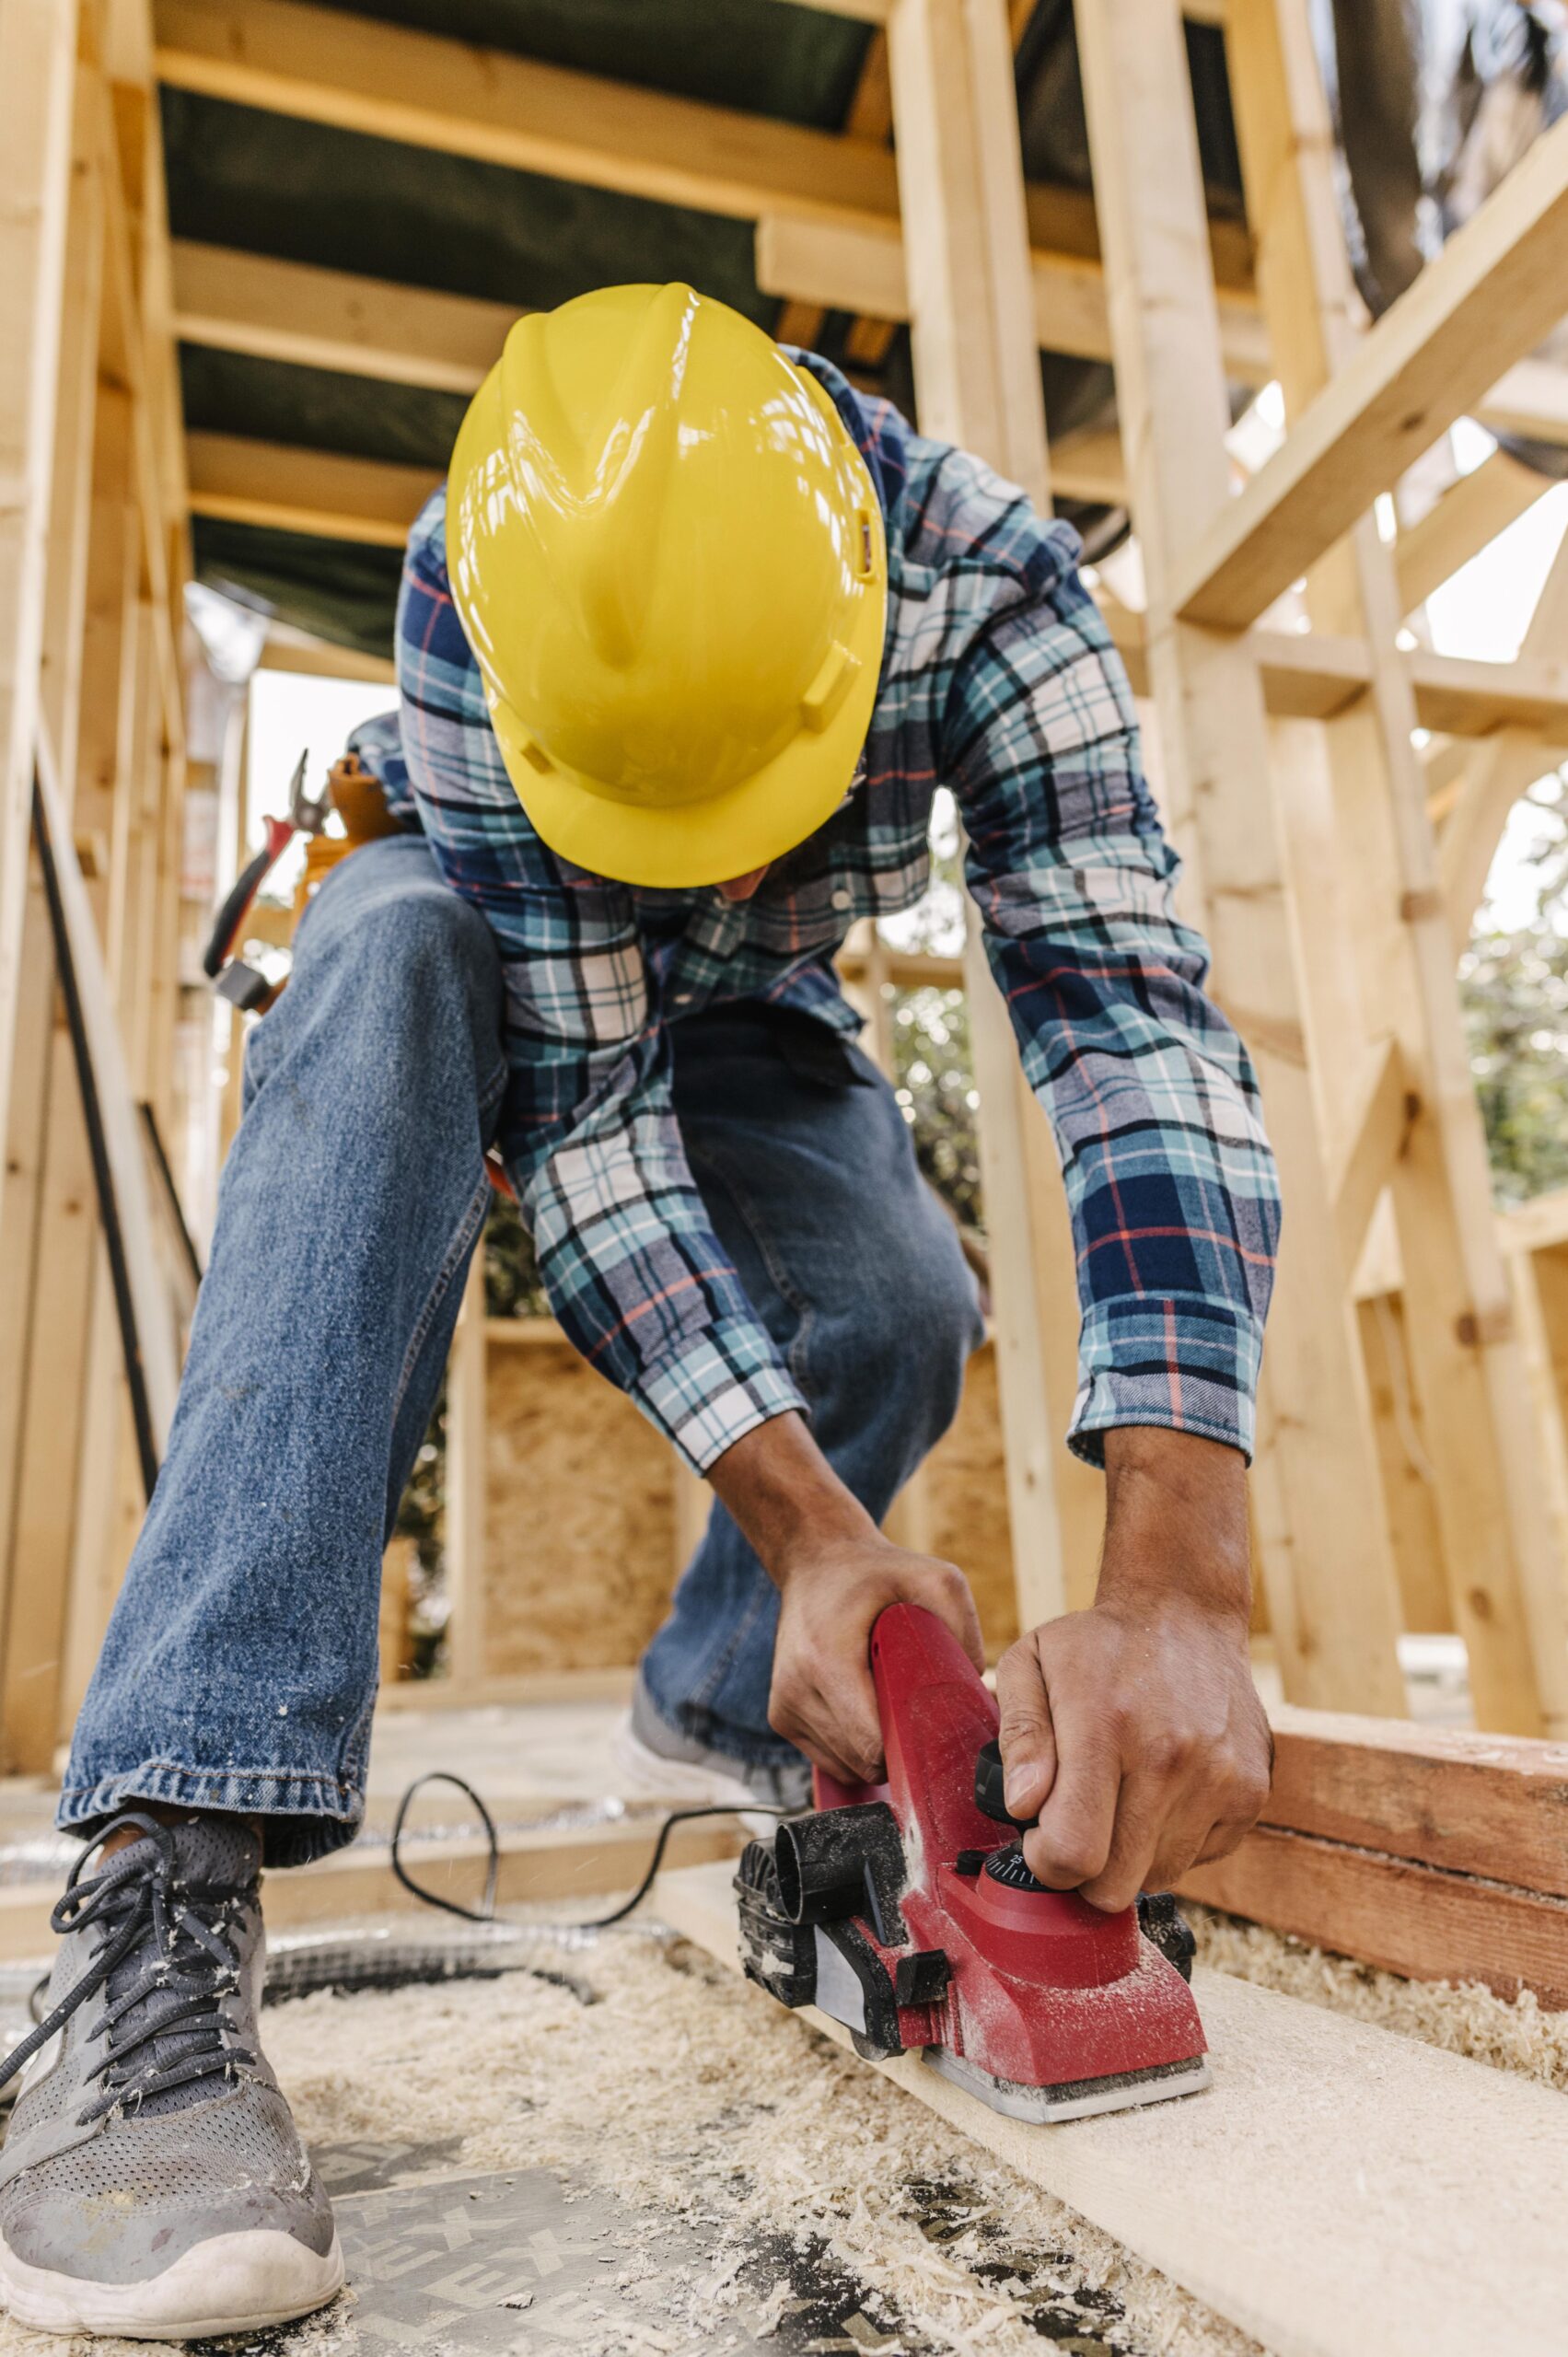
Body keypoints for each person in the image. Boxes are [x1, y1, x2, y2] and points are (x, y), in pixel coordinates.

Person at [0, 284, 1277, 2339]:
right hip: (504, 936)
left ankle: (727, 1700)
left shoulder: (994, 584)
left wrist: (1186, 1567)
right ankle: (170, 1857)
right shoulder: (465, 584)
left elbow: (1127, 1027)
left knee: (894, 1292)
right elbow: (584, 1130)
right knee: (392, 963)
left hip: (756, 997)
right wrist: (818, 1524)